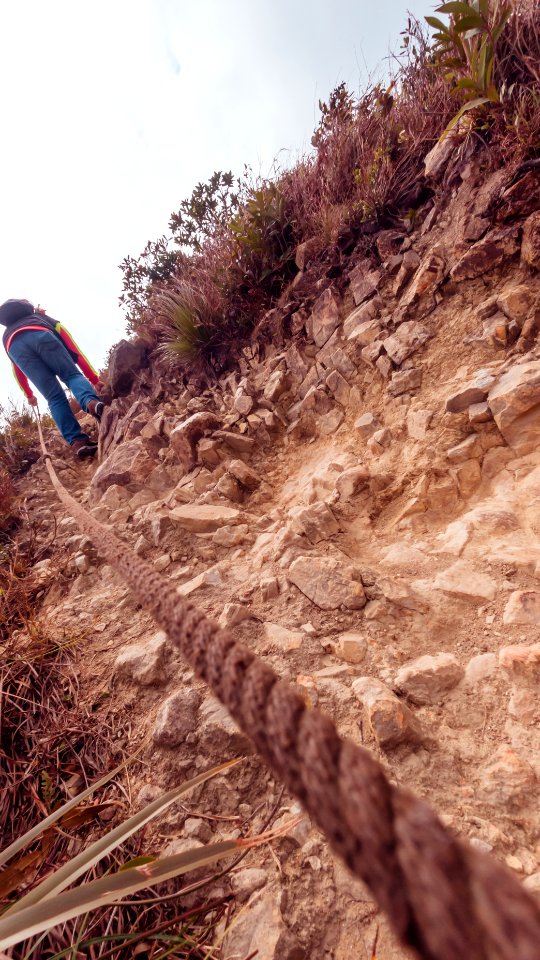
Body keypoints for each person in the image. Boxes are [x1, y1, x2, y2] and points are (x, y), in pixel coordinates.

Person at [0, 299, 107, 459]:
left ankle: (77, 442)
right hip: (43, 334)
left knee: (53, 397)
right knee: (72, 376)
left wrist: (29, 394)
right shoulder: (43, 319)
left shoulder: (7, 336)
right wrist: (93, 379)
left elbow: (17, 370)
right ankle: (90, 402)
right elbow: (74, 350)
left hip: (17, 350)